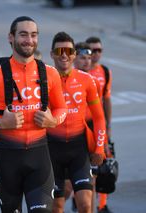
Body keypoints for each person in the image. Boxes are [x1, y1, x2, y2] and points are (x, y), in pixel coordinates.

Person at [0, 16, 68, 212]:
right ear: (11, 37)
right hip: (7, 158)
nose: (29, 40)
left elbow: (62, 109)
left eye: (33, 35)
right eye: (23, 34)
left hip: (40, 156)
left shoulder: (50, 73)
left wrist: (53, 120)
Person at [47, 32, 106, 213]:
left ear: (74, 54)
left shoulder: (86, 80)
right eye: (59, 50)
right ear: (52, 54)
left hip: (79, 149)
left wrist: (99, 147)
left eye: (68, 50)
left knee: (85, 204)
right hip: (51, 150)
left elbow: (98, 117)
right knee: (57, 206)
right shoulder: (43, 79)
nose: (64, 54)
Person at [86, 37, 114, 213]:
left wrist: (108, 126)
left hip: (100, 125)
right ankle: (80, 198)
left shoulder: (105, 71)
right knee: (87, 168)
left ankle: (102, 205)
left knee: (105, 166)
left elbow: (107, 99)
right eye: (92, 51)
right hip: (84, 125)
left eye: (99, 50)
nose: (96, 54)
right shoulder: (80, 73)